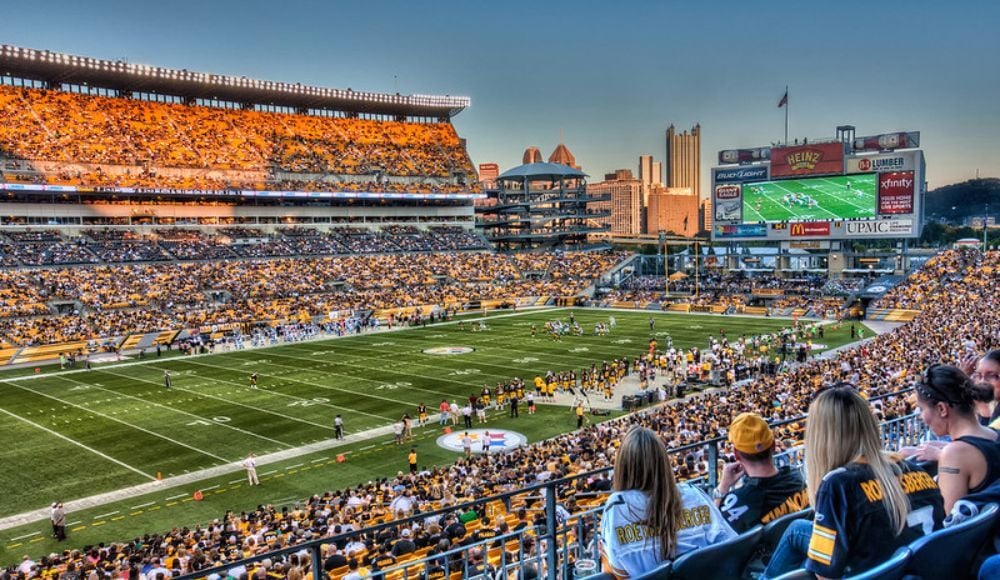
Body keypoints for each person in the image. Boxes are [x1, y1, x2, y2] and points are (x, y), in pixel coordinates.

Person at [763, 386, 944, 578]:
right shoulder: (914, 469)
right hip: (920, 571)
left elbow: (825, 575)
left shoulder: (838, 485)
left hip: (883, 571)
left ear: (821, 436)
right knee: (798, 529)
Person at [599, 426, 736, 577]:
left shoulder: (617, 506)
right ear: (663, 461)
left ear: (623, 467)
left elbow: (619, 574)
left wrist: (606, 556)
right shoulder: (693, 493)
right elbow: (732, 545)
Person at [911, 364, 1000, 512]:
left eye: (922, 409)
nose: (921, 417)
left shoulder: (955, 455)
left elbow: (949, 523)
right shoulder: (994, 433)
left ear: (942, 409)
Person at [714, 413, 809, 533]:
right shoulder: (797, 477)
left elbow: (714, 532)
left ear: (736, 454)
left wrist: (722, 488)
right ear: (773, 445)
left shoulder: (738, 502)